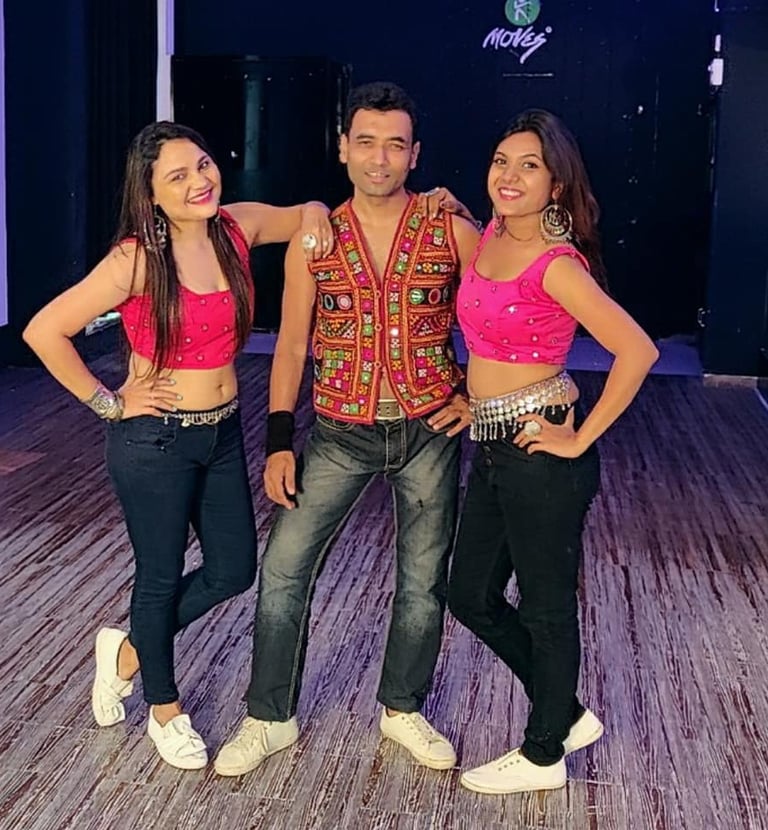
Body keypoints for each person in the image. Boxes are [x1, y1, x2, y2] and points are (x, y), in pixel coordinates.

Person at [22, 121, 333, 770]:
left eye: (203, 165)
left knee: (233, 569)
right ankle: (164, 708)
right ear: (152, 195)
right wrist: (112, 402)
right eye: (178, 176)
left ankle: (127, 652)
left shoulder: (236, 226)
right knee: (159, 576)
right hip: (153, 440)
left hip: (220, 433)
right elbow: (45, 330)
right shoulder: (136, 259)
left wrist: (318, 216)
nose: (199, 181)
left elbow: (303, 211)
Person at [213, 81, 480, 777]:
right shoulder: (315, 236)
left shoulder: (449, 227)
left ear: (415, 153)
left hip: (428, 429)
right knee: (284, 571)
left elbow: (498, 312)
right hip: (338, 431)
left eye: (395, 144)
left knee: (423, 581)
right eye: (366, 142)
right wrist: (277, 440)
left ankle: (402, 709)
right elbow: (294, 344)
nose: (380, 159)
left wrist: (476, 397)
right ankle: (268, 717)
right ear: (343, 148)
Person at [446, 109, 659, 794]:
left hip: (542, 451)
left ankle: (543, 754)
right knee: (470, 594)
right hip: (492, 443)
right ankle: (565, 712)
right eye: (501, 160)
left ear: (557, 185)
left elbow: (638, 350)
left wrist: (581, 436)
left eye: (529, 165)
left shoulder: (557, 264)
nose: (509, 176)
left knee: (544, 607)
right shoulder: (484, 242)